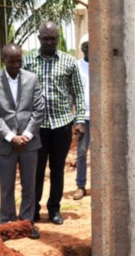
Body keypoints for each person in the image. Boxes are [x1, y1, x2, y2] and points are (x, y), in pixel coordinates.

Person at [24, 22, 86, 224]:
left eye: (53, 38)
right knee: (37, 170)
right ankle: (33, 210)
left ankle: (54, 209)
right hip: (37, 127)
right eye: (45, 38)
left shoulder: (69, 62)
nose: (49, 42)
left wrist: (79, 121)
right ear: (39, 38)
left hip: (62, 125)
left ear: (58, 39)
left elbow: (78, 93)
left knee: (57, 169)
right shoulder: (29, 61)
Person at [0, 44, 45, 239]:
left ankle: (26, 224)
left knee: (29, 185)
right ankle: (7, 224)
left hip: (29, 144)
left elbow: (39, 110)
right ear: (3, 60)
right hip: (5, 145)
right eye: (12, 61)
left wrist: (26, 135)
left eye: (19, 61)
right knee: (6, 187)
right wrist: (11, 136)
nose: (16, 65)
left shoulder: (32, 79)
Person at [73, 34, 90, 200]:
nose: (89, 49)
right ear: (82, 49)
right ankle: (80, 185)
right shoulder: (76, 67)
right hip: (82, 117)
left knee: (103, 152)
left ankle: (101, 185)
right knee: (82, 152)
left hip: (101, 116)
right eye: (86, 46)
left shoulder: (102, 66)